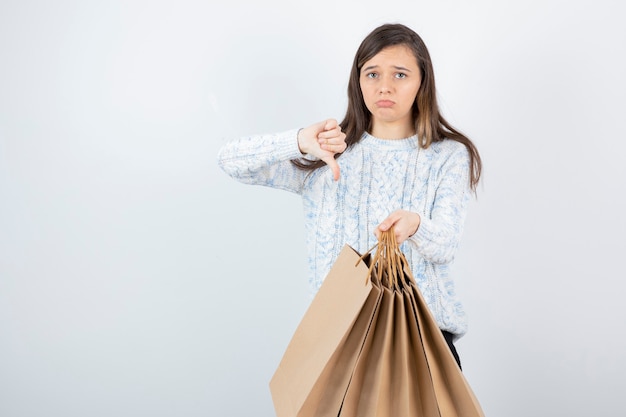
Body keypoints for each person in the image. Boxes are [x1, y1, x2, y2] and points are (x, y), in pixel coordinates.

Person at [217, 23, 482, 368]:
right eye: (372, 74)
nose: (384, 86)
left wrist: (415, 225)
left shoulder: (447, 155)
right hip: (339, 343)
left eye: (400, 74)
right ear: (358, 81)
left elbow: (445, 245)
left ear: (422, 82)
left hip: (421, 340)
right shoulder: (329, 155)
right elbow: (230, 161)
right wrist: (299, 141)